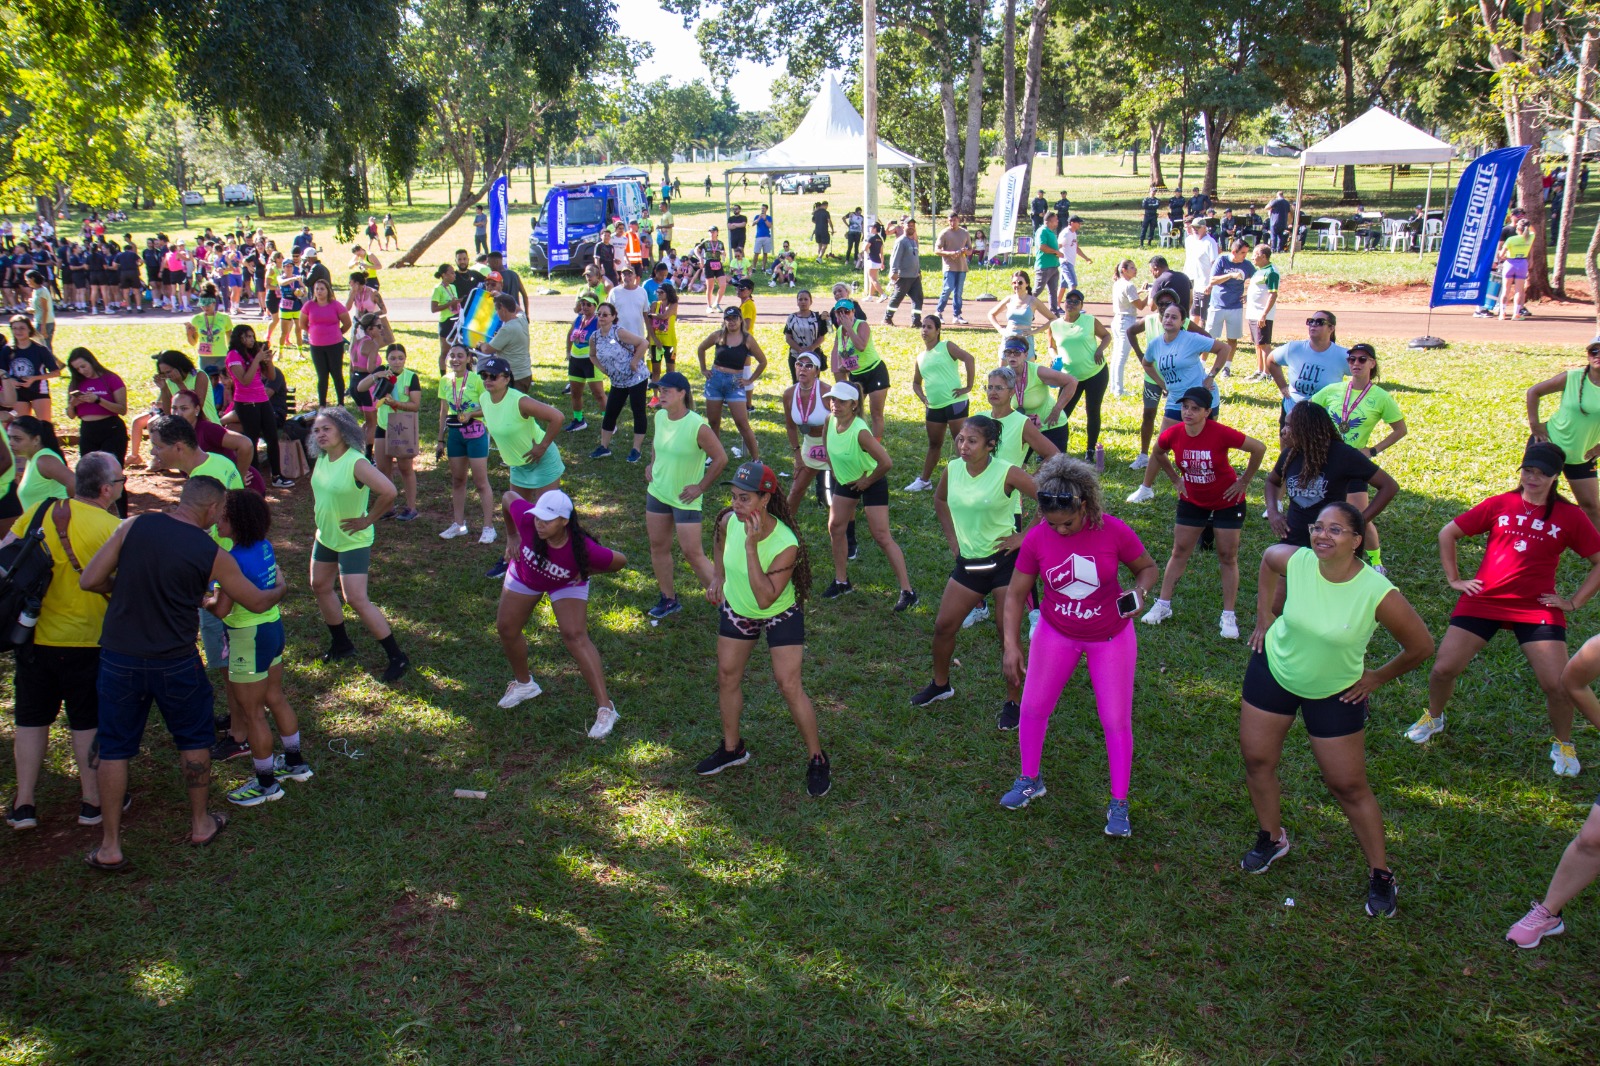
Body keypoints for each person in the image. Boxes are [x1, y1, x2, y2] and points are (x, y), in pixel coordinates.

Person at [78, 475, 289, 869]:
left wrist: (125, 587)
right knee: (193, 739)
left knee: (114, 747)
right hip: (175, 659)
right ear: (212, 510)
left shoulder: (133, 525)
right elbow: (258, 602)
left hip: (119, 657)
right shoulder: (211, 552)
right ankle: (201, 824)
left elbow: (89, 580)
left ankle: (109, 845)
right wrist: (282, 588)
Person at [1238, 502, 1434, 916]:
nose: (1322, 536)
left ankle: (1381, 873)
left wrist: (1376, 677)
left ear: (1357, 541)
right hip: (1274, 668)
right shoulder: (1297, 560)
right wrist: (1263, 617)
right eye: (1318, 527)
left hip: (1335, 691)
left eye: (1336, 530)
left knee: (1347, 785)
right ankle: (1271, 838)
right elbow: (1267, 560)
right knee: (1257, 759)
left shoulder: (1376, 592)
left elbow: (1420, 646)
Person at [1405, 443, 1600, 775]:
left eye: (1541, 473)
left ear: (1555, 477)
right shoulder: (1501, 504)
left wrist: (1574, 601)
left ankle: (1563, 743)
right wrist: (1455, 579)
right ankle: (1434, 717)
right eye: (1527, 470)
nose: (1532, 478)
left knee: (1557, 684)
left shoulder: (1570, 516)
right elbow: (1448, 532)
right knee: (1442, 669)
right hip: (1484, 600)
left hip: (1535, 607)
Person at [997, 456, 1159, 837]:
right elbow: (1016, 594)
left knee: (1115, 720)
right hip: (1057, 633)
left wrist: (1139, 593)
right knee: (1034, 707)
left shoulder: (1114, 531)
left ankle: (1119, 802)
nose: (1060, 530)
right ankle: (1029, 779)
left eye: (1067, 522)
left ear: (1084, 505)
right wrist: (1011, 644)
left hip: (1110, 637)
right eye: (1051, 522)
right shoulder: (1038, 537)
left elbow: (1147, 569)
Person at [697, 461, 830, 797]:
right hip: (738, 608)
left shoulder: (786, 543)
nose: (736, 506)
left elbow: (765, 596)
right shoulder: (730, 521)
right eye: (733, 497)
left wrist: (752, 546)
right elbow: (718, 536)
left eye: (744, 499)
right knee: (727, 677)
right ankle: (733, 749)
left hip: (778, 612)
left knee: (789, 685)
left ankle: (817, 757)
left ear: (765, 499)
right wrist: (717, 576)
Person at [4, 453, 122, 833]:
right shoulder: (113, 528)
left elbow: (7, 551)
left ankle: (24, 802)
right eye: (119, 481)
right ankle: (91, 801)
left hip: (33, 634)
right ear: (106, 489)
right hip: (88, 641)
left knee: (30, 718)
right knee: (85, 720)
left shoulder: (41, 510)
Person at [917, 415, 1039, 726]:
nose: (963, 446)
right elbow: (940, 500)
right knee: (944, 626)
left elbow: (1049, 500)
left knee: (1006, 634)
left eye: (972, 441)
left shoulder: (1007, 472)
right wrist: (952, 539)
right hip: (969, 564)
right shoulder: (953, 469)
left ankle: (1014, 700)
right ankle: (940, 685)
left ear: (991, 445)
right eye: (960, 440)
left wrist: (1023, 537)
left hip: (1005, 564)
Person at [493, 487, 628, 733]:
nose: (539, 524)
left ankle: (606, 708)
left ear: (564, 521)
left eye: (547, 520)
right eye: (537, 517)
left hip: (566, 582)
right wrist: (512, 535)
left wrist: (586, 571)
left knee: (575, 636)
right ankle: (524, 685)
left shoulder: (584, 549)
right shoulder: (526, 520)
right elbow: (507, 498)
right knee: (506, 628)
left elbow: (620, 561)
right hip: (526, 574)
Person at [209, 489, 312, 807]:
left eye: (222, 516)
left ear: (235, 522)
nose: (216, 520)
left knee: (253, 713)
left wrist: (202, 597)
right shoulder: (264, 547)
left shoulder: (232, 561)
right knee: (275, 697)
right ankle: (294, 763)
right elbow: (275, 579)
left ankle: (266, 783)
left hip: (246, 638)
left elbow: (221, 610)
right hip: (272, 630)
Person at [1141, 388, 1266, 638]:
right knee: (1180, 551)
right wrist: (1176, 479)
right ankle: (1163, 605)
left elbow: (1259, 448)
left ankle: (1228, 615)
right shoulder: (1173, 434)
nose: (1188, 412)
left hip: (1228, 501)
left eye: (1195, 408)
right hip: (1193, 500)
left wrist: (1243, 482)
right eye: (1185, 406)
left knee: (1227, 556)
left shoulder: (1220, 433)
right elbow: (1158, 452)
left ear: (1208, 412)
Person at [305, 407, 410, 680]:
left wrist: (368, 520)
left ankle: (397, 657)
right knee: (319, 586)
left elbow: (389, 491)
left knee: (355, 598)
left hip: (353, 539)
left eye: (326, 428)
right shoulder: (323, 458)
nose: (320, 434)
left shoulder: (356, 462)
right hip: (326, 536)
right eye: (316, 430)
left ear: (343, 430)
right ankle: (342, 645)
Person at [821, 381, 917, 610]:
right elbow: (826, 443)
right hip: (847, 481)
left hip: (872, 480)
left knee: (881, 535)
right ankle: (841, 581)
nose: (835, 405)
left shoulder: (860, 431)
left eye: (841, 401)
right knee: (835, 527)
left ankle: (908, 592)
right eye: (833, 399)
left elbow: (886, 462)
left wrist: (866, 481)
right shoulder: (829, 420)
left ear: (854, 405)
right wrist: (834, 470)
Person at [1311, 343, 1406, 570]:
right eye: (1352, 359)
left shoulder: (1380, 397)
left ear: (1372, 364)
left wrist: (1373, 450)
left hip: (1354, 464)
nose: (1356, 364)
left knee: (1361, 517)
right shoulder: (1333, 390)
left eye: (1362, 359)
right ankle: (1326, 555)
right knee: (1322, 513)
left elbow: (1400, 430)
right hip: (1326, 460)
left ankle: (1375, 562)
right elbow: (1307, 413)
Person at [643, 371, 728, 621]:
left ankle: (728, 604)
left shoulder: (696, 426)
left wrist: (700, 487)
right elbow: (657, 446)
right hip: (657, 492)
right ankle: (668, 599)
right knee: (658, 547)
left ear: (683, 393)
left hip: (685, 498)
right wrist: (652, 465)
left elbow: (721, 458)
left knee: (693, 553)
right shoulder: (659, 417)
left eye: (667, 391)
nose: (661, 395)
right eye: (659, 390)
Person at [1126, 302, 1232, 502]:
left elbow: (1224, 349)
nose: (1169, 320)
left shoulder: (1191, 339)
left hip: (1201, 399)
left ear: (1182, 322)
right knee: (1161, 446)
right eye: (1166, 316)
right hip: (1176, 400)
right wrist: (1161, 383)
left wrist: (1211, 376)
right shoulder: (1156, 344)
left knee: (1209, 445)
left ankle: (1215, 485)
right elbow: (1147, 363)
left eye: (1174, 317)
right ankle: (1146, 488)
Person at [476, 356, 566, 580]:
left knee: (547, 517)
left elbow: (557, 417)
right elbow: (489, 412)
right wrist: (469, 413)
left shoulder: (520, 401)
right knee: (518, 515)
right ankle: (512, 556)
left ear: (506, 379)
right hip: (518, 464)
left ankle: (554, 563)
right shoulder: (485, 399)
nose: (488, 380)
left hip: (542, 462)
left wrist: (543, 447)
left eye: (493, 376)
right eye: (484, 376)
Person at [1265, 402, 1398, 548]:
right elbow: (1272, 481)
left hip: (1329, 543)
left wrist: (1360, 522)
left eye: (1290, 426)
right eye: (1285, 425)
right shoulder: (1290, 454)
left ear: (1307, 429)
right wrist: (1273, 511)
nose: (1283, 431)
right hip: (1293, 540)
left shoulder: (1343, 455)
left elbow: (1389, 486)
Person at [1527, 341, 1600, 531]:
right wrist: (1535, 426)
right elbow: (1534, 392)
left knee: (1591, 506)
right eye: (1594, 350)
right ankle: (1528, 541)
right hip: (1548, 445)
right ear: (1587, 354)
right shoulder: (1573, 377)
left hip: (1581, 455)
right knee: (1535, 501)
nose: (1597, 355)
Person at [906, 316, 977, 491]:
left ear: (938, 330)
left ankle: (970, 479)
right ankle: (924, 481)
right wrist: (923, 398)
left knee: (962, 443)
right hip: (934, 407)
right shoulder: (921, 357)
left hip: (955, 403)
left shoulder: (946, 346)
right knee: (934, 444)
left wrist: (968, 386)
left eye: (929, 327)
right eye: (923, 326)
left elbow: (969, 358)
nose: (924, 330)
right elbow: (916, 383)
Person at [435, 344, 497, 544]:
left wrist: (471, 413)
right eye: (452, 356)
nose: (455, 359)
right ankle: (458, 524)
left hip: (476, 433)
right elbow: (444, 412)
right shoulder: (445, 381)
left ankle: (489, 527)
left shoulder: (478, 380)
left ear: (469, 358)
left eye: (460, 356)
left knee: (481, 482)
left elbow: (489, 407)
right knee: (458, 480)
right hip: (455, 435)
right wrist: (439, 440)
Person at [356, 343, 423, 522]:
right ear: (387, 359)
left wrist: (396, 404)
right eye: (392, 358)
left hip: (403, 426)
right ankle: (389, 507)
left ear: (405, 359)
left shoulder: (411, 377)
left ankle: (411, 507)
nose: (396, 362)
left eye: (400, 358)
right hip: (383, 426)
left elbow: (415, 406)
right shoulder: (382, 372)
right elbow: (360, 387)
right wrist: (376, 375)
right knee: (383, 468)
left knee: (405, 468)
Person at [1045, 289, 1112, 461]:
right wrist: (1054, 358)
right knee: (1061, 412)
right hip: (1069, 378)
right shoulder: (1055, 325)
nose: (1072, 304)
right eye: (1069, 300)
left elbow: (1106, 336)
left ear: (1081, 305)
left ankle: (1090, 450)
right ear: (1064, 303)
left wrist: (1099, 350)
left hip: (1095, 373)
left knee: (1092, 410)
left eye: (1076, 301)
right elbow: (1051, 346)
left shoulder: (1089, 321)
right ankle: (1055, 449)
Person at [224, 324, 290, 488]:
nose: (251, 340)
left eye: (252, 336)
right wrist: (257, 361)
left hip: (263, 401)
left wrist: (268, 362)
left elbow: (272, 376)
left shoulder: (254, 354)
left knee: (272, 438)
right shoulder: (234, 356)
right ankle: (254, 476)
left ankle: (277, 476)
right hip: (246, 403)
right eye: (247, 337)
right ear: (239, 338)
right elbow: (245, 380)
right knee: (251, 439)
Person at [63, 348, 128, 513]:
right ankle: (95, 513)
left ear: (91, 361)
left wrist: (98, 400)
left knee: (112, 474)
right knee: (90, 475)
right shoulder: (76, 383)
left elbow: (122, 409)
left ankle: (122, 515)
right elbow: (71, 415)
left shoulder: (111, 379)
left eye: (83, 366)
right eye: (77, 369)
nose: (81, 371)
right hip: (88, 431)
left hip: (111, 429)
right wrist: (73, 404)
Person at [696, 307, 765, 461]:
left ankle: (756, 459)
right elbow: (701, 348)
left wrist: (749, 380)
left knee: (742, 423)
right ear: (724, 321)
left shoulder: (747, 339)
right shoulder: (718, 336)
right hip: (715, 380)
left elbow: (763, 361)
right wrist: (703, 369)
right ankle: (714, 455)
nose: (732, 321)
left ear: (740, 320)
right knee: (713, 421)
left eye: (735, 318)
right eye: (728, 318)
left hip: (735, 383)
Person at [588, 301, 650, 463]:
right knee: (610, 412)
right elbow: (592, 356)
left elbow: (644, 343)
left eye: (605, 314)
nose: (601, 317)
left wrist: (634, 362)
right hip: (617, 381)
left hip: (636, 378)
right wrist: (603, 369)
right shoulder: (594, 337)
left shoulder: (618, 332)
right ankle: (604, 447)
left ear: (613, 317)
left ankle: (636, 449)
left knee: (638, 411)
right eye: (599, 314)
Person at [1268, 310, 1347, 421]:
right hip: (1291, 411)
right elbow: (1271, 360)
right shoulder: (1294, 348)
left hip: (1323, 416)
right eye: (1311, 321)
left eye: (1320, 322)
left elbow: (1364, 373)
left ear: (1331, 328)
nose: (1313, 324)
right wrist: (1282, 386)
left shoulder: (1342, 355)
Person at [831, 299, 890, 440]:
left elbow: (861, 346)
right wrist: (842, 366)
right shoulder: (839, 331)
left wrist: (849, 328)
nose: (843, 315)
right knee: (853, 411)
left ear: (853, 312)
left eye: (847, 312)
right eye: (840, 312)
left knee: (876, 413)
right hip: (856, 376)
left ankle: (876, 445)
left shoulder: (862, 325)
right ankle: (855, 439)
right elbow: (841, 352)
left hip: (874, 372)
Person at [782, 353, 831, 515]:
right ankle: (786, 529)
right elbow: (790, 427)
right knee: (795, 492)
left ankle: (845, 530)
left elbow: (843, 423)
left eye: (808, 365)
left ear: (817, 371)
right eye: (799, 364)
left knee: (837, 496)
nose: (803, 368)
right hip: (809, 444)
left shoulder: (827, 392)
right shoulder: (789, 394)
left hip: (832, 445)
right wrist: (797, 455)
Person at [1202, 238, 1253, 366]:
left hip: (1235, 306)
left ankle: (1227, 367)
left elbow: (1258, 279)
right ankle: (1201, 365)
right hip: (1217, 305)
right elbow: (1212, 280)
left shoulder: (1246, 264)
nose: (1245, 256)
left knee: (1232, 339)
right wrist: (1230, 275)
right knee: (1209, 338)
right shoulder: (1222, 260)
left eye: (1246, 253)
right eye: (1243, 253)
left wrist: (1249, 295)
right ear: (1234, 252)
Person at [302, 278, 351, 408]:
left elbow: (347, 323)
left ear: (328, 291)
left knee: (336, 373)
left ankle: (340, 403)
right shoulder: (309, 305)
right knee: (322, 376)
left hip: (334, 344)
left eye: (322, 289)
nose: (319, 291)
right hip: (316, 346)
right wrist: (313, 332)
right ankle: (322, 404)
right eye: (317, 289)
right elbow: (302, 323)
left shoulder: (335, 305)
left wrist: (338, 333)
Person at [8, 415, 72, 513]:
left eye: (17, 439)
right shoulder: (31, 459)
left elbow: (76, 484)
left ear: (36, 440)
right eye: (10, 438)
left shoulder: (44, 460)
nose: (10, 443)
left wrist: (69, 512)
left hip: (51, 527)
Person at [988, 270, 1054, 360]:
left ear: (1027, 284)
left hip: (1025, 340)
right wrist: (1000, 329)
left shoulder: (1033, 301)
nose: (1017, 285)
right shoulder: (1009, 299)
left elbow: (1053, 319)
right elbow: (991, 314)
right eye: (1014, 283)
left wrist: (1035, 331)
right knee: (1004, 373)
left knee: (1027, 372)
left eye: (1020, 282)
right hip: (1009, 339)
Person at [562, 292, 604, 432]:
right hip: (576, 360)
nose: (585, 307)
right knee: (575, 392)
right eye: (583, 304)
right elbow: (569, 334)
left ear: (595, 306)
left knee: (598, 393)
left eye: (588, 304)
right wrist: (568, 351)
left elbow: (603, 340)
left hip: (590, 361)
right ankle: (578, 420)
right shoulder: (579, 319)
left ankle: (609, 421)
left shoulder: (598, 321)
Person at [7, 314, 58, 421]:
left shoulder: (40, 349)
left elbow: (56, 372)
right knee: (22, 426)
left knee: (45, 425)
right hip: (17, 392)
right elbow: (2, 371)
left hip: (39, 390)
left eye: (22, 328)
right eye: (14, 328)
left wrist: (34, 378)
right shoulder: (8, 350)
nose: (18, 331)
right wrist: (10, 380)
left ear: (29, 330)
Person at [480, 293, 532, 394]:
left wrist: (479, 344)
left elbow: (487, 349)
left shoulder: (507, 329)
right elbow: (519, 309)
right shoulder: (522, 319)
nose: (496, 313)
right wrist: (501, 295)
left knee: (512, 408)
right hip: (525, 374)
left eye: (497, 310)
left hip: (514, 377)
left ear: (503, 309)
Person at [1244, 244, 1280, 381]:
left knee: (1264, 344)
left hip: (1261, 314)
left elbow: (1273, 294)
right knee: (1257, 343)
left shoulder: (1271, 272)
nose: (1252, 257)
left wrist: (1264, 314)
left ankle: (1268, 372)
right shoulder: (1259, 271)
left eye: (1255, 254)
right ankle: (1259, 369)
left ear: (1263, 256)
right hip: (1253, 312)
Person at [1109, 260, 1141, 398]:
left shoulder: (1118, 283)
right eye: (1132, 267)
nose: (1135, 270)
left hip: (1117, 320)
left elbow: (1129, 299)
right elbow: (1140, 305)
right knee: (1121, 357)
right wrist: (1151, 295)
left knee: (1116, 356)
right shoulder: (1129, 285)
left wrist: (1140, 292)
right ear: (1124, 270)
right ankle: (1118, 390)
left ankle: (1114, 387)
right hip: (1126, 321)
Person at [782, 289, 829, 383]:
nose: (803, 302)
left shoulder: (817, 318)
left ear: (811, 301)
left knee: (813, 382)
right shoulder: (792, 318)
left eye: (806, 299)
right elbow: (788, 337)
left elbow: (821, 336)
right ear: (797, 302)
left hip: (814, 355)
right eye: (800, 299)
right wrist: (800, 350)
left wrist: (811, 348)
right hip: (795, 355)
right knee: (797, 382)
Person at [884, 218, 924, 327]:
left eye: (913, 225)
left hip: (914, 276)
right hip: (904, 276)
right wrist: (894, 271)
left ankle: (916, 321)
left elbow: (915, 258)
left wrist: (919, 271)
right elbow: (895, 257)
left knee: (918, 298)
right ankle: (887, 319)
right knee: (897, 297)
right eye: (908, 225)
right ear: (903, 226)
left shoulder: (913, 241)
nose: (911, 227)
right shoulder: (901, 241)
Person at [934, 212, 971, 324]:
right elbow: (937, 250)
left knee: (958, 292)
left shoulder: (965, 233)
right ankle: (939, 312)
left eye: (954, 220)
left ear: (958, 220)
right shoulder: (944, 233)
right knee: (948, 289)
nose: (952, 223)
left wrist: (965, 251)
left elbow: (970, 250)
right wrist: (950, 253)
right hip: (949, 267)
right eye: (950, 220)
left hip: (961, 267)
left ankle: (957, 315)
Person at [646, 281, 679, 405]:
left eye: (661, 292)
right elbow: (649, 326)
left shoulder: (673, 305)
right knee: (656, 371)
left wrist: (651, 314)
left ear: (668, 293)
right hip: (656, 343)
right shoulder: (655, 304)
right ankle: (655, 397)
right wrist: (653, 340)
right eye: (657, 292)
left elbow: (664, 316)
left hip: (670, 342)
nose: (658, 294)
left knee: (670, 370)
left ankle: (670, 396)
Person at [1498, 216, 1535, 321]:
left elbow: (1501, 254)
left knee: (1506, 290)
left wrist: (1502, 255)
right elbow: (1532, 229)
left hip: (1510, 263)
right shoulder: (1531, 237)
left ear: (1518, 228)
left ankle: (1502, 313)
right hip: (1522, 263)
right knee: (1519, 290)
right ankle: (1516, 314)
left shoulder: (1511, 239)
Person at [430, 264, 461, 373]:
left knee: (457, 349)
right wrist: (449, 304)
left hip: (456, 321)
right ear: (444, 275)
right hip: (446, 323)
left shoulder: (453, 287)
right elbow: (433, 309)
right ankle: (443, 374)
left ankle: (457, 372)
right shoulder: (438, 289)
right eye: (451, 273)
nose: (454, 275)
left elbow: (454, 302)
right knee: (445, 351)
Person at [1033, 212, 1062, 314]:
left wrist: (1058, 250)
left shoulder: (1050, 232)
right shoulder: (1042, 231)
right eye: (1055, 220)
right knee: (1037, 290)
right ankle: (1024, 307)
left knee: (1053, 291)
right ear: (1048, 221)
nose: (1057, 222)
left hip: (1054, 266)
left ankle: (1054, 313)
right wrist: (1056, 251)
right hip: (1044, 266)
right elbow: (1042, 247)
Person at [699, 226, 729, 313]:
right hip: (708, 264)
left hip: (718, 264)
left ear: (717, 232)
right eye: (710, 232)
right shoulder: (706, 242)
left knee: (723, 285)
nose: (711, 234)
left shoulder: (720, 243)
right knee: (710, 286)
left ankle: (717, 303)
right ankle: (709, 306)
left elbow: (724, 255)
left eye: (713, 232)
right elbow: (697, 249)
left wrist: (724, 254)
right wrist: (700, 258)